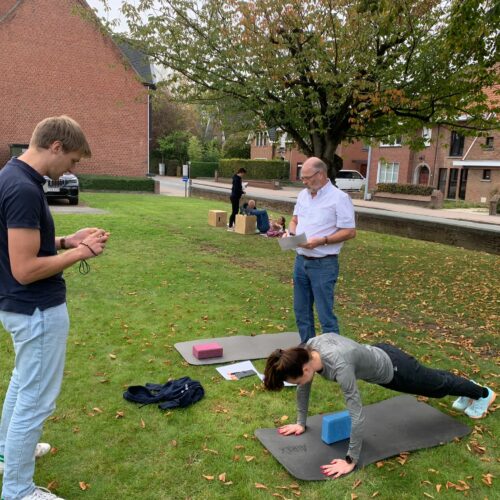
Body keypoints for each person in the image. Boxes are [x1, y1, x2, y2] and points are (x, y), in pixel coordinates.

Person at [0, 115, 110, 500]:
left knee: (22, 384)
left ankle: (7, 453)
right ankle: (18, 490)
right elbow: (25, 268)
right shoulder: (23, 189)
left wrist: (66, 241)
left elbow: (23, 245)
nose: (71, 170)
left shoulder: (12, 177)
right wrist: (82, 253)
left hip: (20, 307)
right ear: (56, 146)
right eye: (73, 160)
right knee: (35, 401)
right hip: (36, 310)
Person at [264, 335, 496, 479]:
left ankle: (483, 394)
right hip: (381, 352)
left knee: (437, 386)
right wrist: (300, 422)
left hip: (396, 370)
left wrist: (350, 460)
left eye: (296, 381)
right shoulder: (309, 349)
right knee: (436, 381)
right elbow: (304, 387)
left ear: (305, 369)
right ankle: (469, 389)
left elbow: (357, 415)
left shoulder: (340, 367)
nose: (299, 385)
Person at [284, 157, 356, 342]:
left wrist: (322, 241)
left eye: (307, 178)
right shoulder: (303, 195)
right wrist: (291, 235)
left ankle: (333, 352)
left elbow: (349, 231)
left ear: (321, 174)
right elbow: (294, 221)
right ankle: (307, 349)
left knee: (325, 315)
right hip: (301, 261)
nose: (304, 181)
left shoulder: (339, 198)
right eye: (302, 178)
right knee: (301, 311)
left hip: (324, 264)